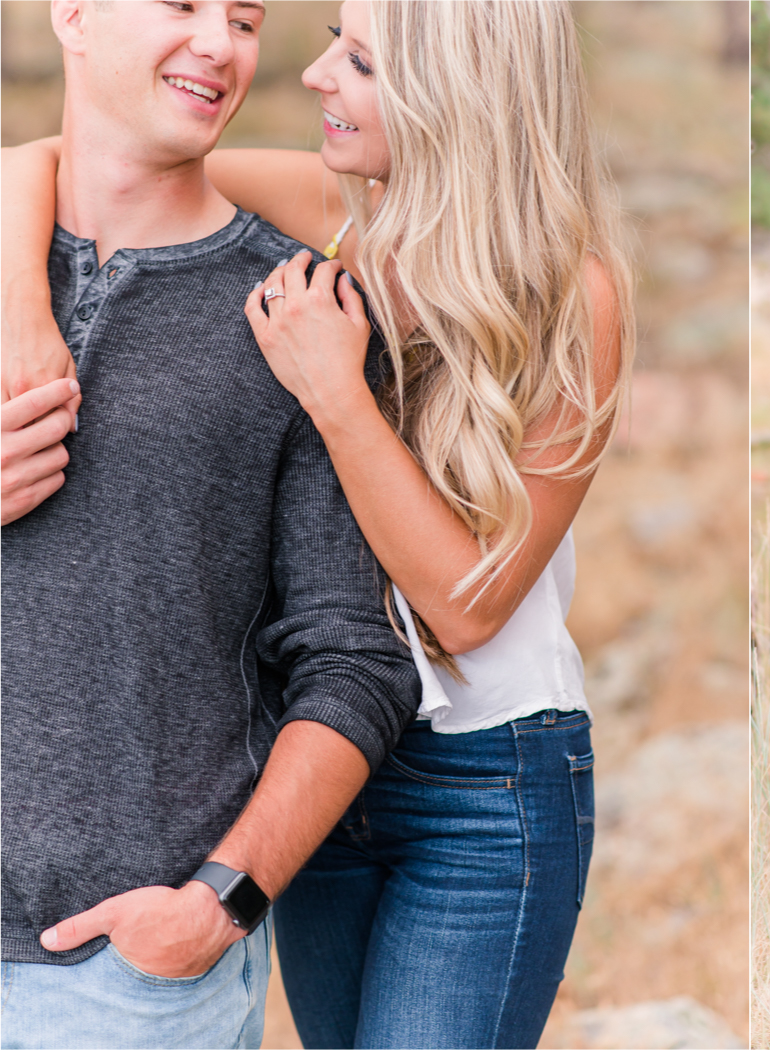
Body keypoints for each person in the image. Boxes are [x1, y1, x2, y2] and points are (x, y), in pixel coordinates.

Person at [2, 2, 633, 1047]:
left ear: (453, 96)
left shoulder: (572, 295)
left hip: (484, 779)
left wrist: (336, 395)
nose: (312, 77)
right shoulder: (339, 211)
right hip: (321, 774)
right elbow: (59, 154)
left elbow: (467, 611)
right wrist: (27, 305)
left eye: (361, 62)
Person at [0, 2, 422, 1048]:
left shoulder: (298, 314)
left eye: (242, 19)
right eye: (184, 5)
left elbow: (355, 660)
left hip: (108, 978)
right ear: (75, 17)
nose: (220, 46)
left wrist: (215, 906)